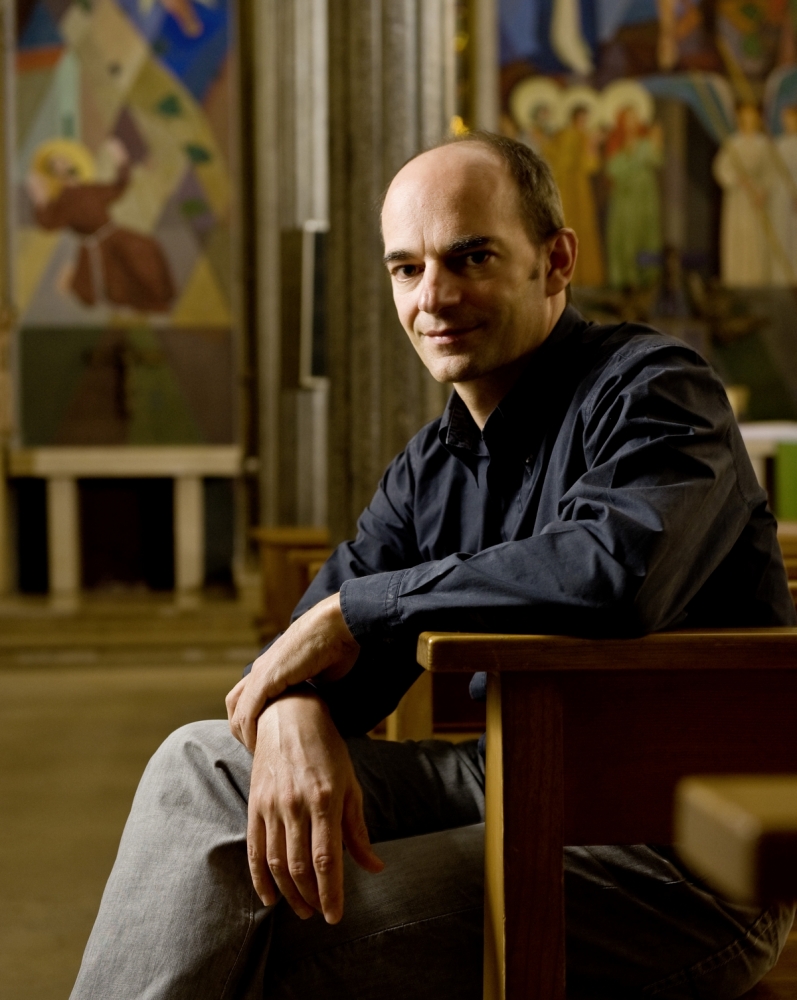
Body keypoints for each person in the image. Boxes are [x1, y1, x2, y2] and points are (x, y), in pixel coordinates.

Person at [70, 132, 796, 1000]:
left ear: (555, 261)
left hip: (680, 849)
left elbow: (613, 574)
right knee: (201, 764)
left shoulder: (655, 388)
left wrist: (360, 610)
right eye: (406, 269)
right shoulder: (432, 464)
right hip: (509, 778)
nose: (433, 298)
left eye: (470, 258)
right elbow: (313, 630)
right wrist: (293, 708)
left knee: (266, 935)